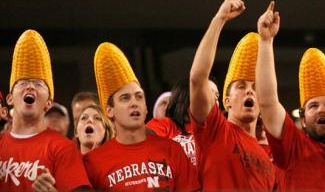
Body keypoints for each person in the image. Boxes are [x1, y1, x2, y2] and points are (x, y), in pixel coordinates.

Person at [256, 1, 325, 191]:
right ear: (304, 120)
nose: (321, 109)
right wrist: (265, 42)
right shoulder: (293, 147)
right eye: (313, 106)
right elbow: (267, 102)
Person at [83, 42, 199, 191]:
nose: (134, 103)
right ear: (109, 111)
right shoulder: (93, 162)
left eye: (139, 97)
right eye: (125, 98)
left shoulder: (172, 149)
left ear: (145, 108)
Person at [189, 0, 275, 191]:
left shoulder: (268, 160)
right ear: (226, 101)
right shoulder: (215, 131)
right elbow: (197, 78)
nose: (250, 90)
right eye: (241, 86)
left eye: (254, 86)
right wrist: (219, 19)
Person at [0, 30, 91, 191]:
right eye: (22, 83)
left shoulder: (64, 148)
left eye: (38, 84)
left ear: (48, 103)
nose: (30, 86)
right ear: (10, 99)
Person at [147, 77, 219, 166]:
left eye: (217, 96)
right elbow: (140, 142)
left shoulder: (218, 130)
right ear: (188, 96)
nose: (215, 100)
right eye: (209, 92)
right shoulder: (165, 125)